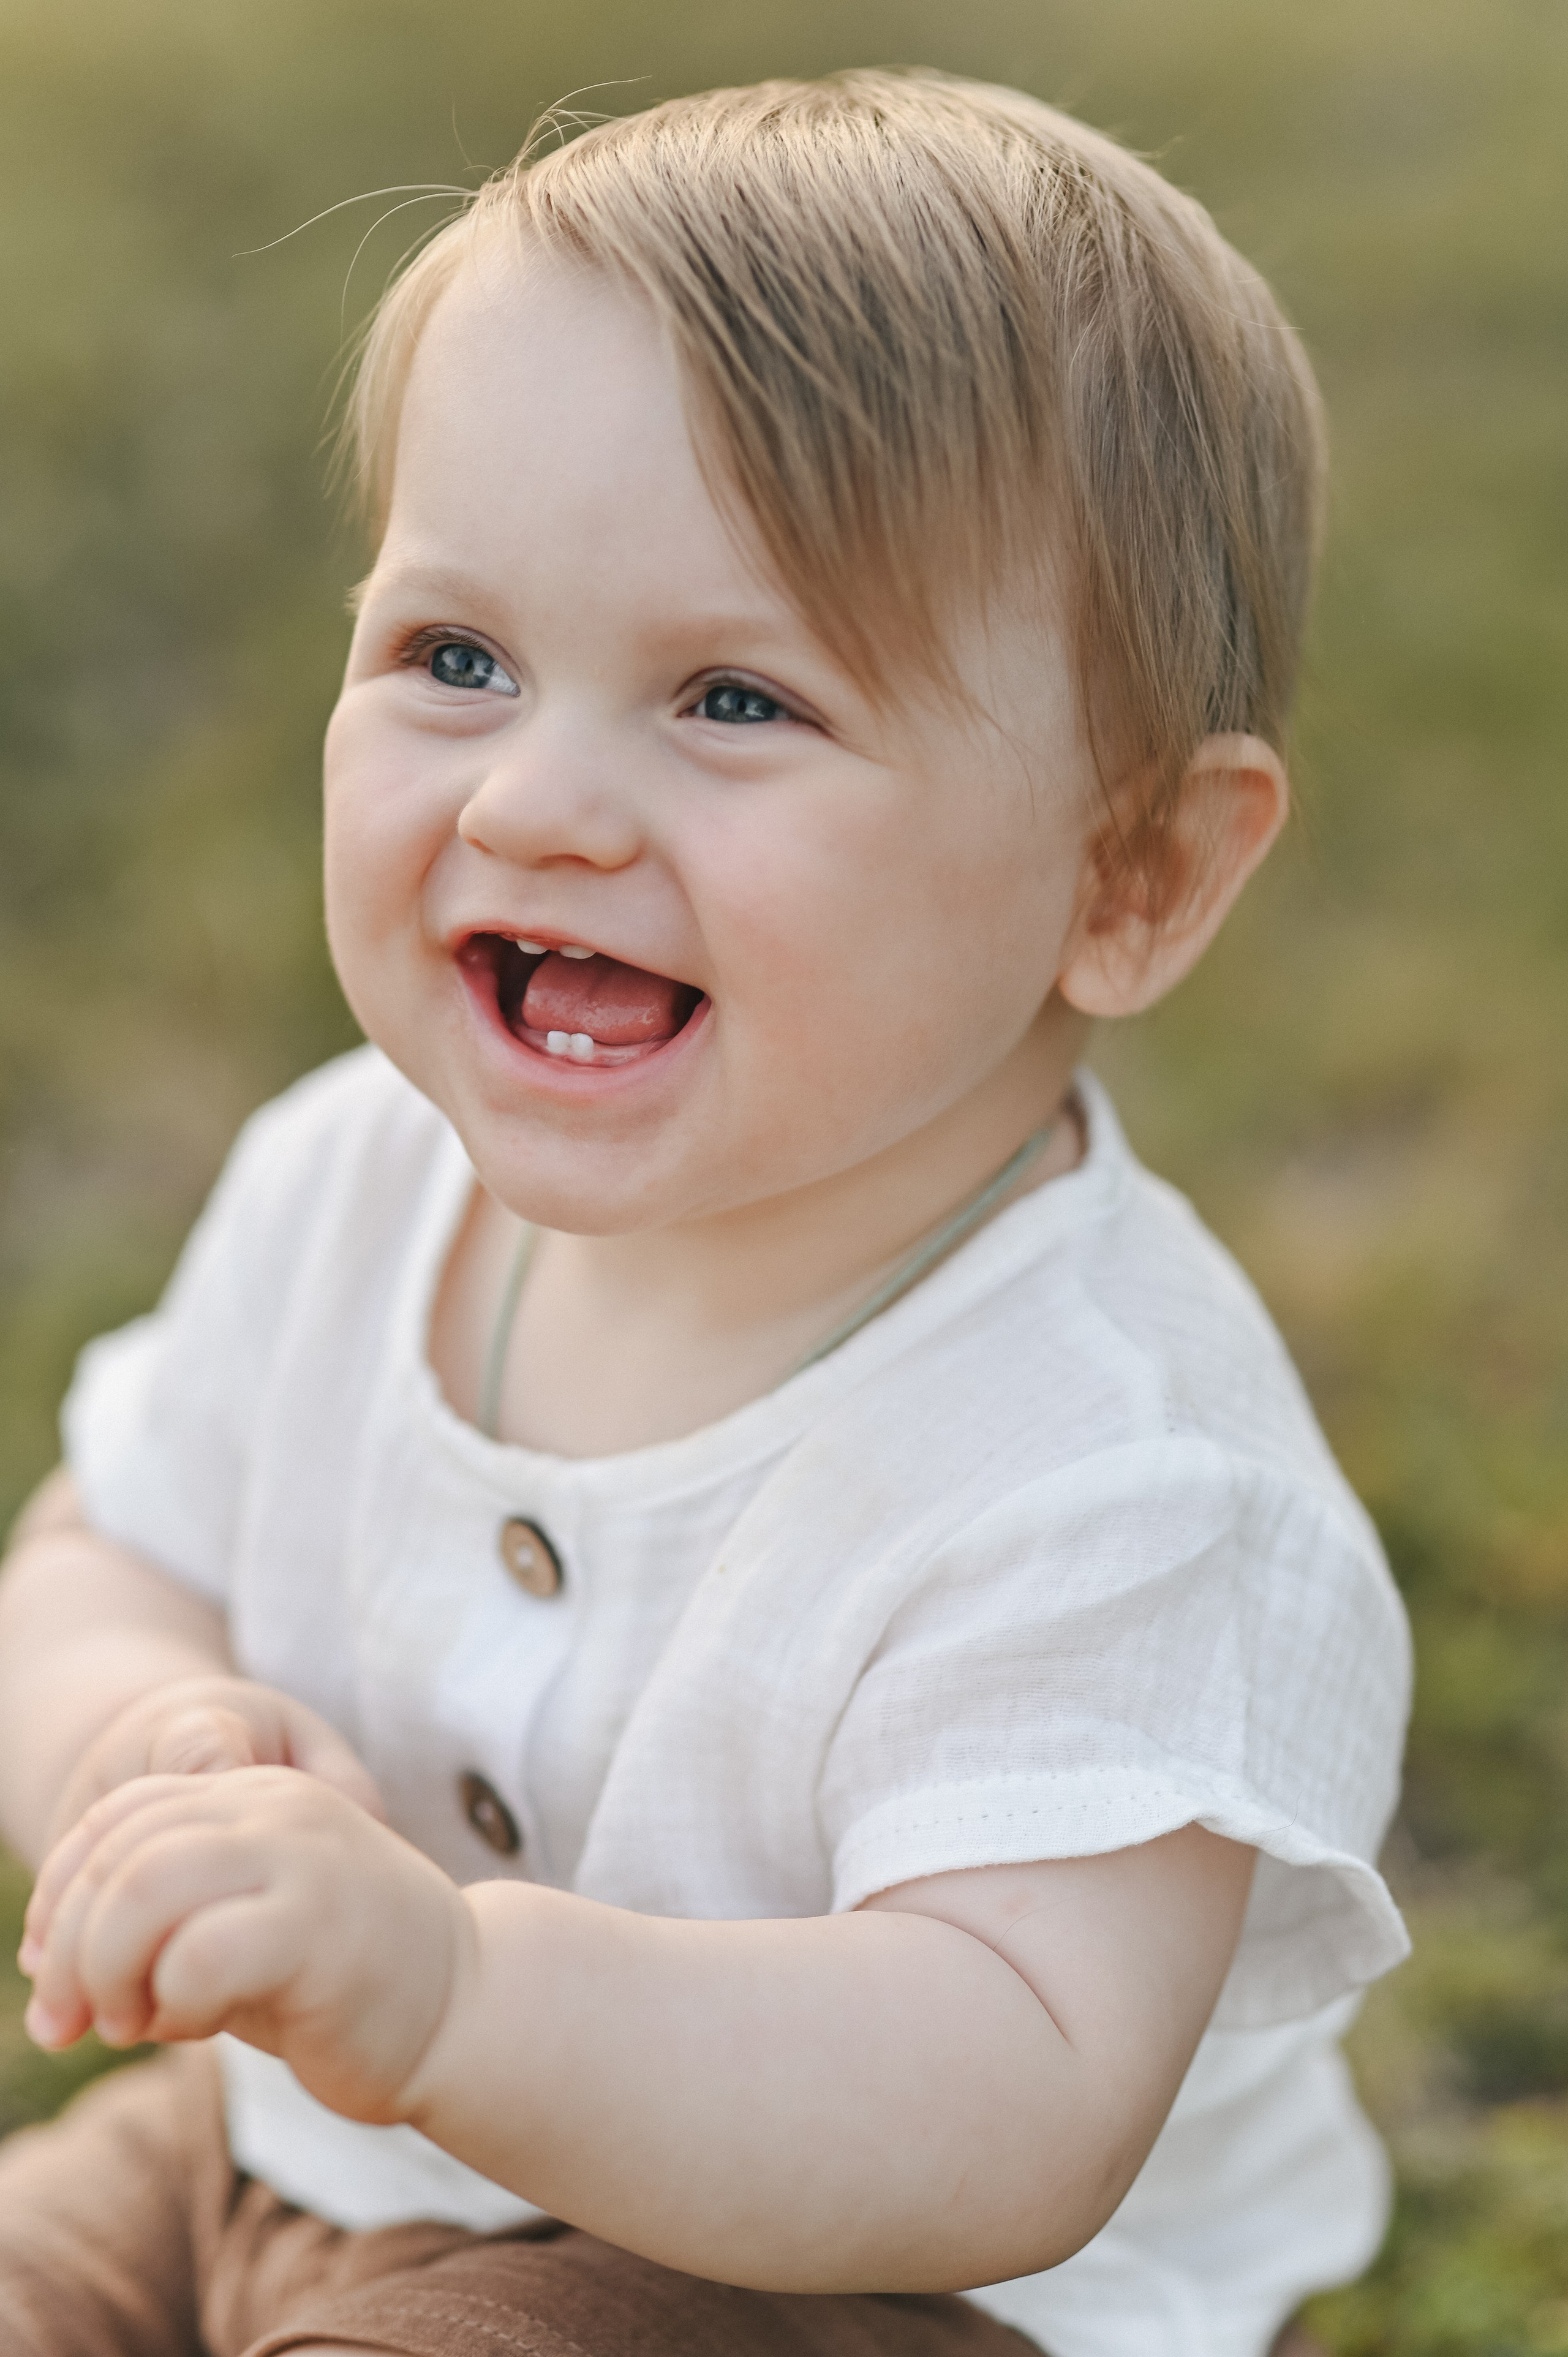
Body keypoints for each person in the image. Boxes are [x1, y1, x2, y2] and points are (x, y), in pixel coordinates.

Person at [0, 68, 1411, 2357]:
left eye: (734, 698)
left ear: (1128, 871)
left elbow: (996, 2105)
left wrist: (458, 1989)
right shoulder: (344, 1178)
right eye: (456, 658)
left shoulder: (1123, 1484)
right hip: (285, 2142)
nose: (542, 799)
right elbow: (99, 1547)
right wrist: (147, 1739)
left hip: (839, 2287)